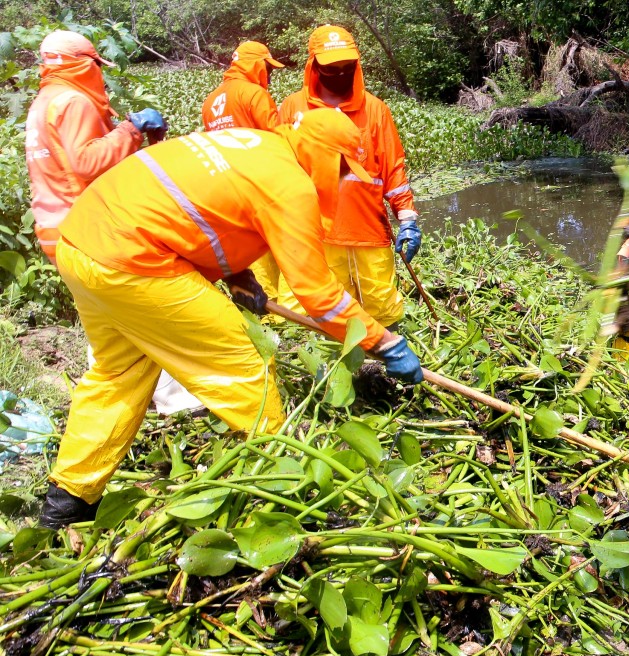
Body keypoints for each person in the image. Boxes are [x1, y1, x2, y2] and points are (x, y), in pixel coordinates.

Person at [38, 109, 425, 528]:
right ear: (323, 155)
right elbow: (318, 294)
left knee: (119, 374)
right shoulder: (289, 184)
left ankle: (68, 501)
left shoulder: (255, 144)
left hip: (82, 245)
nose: (343, 180)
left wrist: (237, 275)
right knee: (245, 360)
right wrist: (384, 342)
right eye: (342, 170)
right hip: (135, 259)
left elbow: (205, 208)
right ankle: (283, 481)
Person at [24, 29, 201, 416]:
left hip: (55, 229)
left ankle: (111, 401)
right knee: (151, 306)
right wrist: (131, 130)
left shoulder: (43, 103)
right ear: (83, 64)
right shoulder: (73, 101)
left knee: (105, 319)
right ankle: (181, 402)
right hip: (89, 227)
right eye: (95, 66)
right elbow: (84, 163)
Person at [277, 25, 421, 328]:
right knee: (321, 311)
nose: (340, 72)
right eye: (332, 67)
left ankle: (384, 361)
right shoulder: (293, 108)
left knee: (381, 307)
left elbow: (393, 169)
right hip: (315, 232)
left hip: (368, 228)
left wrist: (407, 220)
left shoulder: (375, 110)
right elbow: (278, 168)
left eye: (347, 66)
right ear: (314, 66)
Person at [202, 40, 287, 302]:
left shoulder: (211, 100)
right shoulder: (253, 93)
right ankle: (294, 309)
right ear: (255, 65)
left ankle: (267, 310)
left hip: (227, 183)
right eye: (267, 68)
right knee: (281, 243)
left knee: (250, 246)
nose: (269, 75)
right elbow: (277, 137)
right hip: (259, 181)